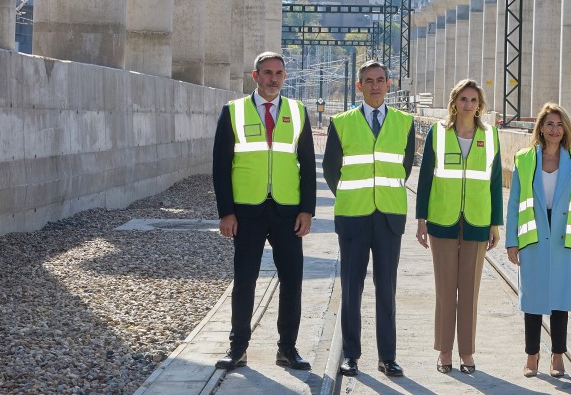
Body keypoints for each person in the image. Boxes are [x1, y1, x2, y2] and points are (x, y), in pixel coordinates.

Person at [212, 51, 316, 371]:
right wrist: (226, 212)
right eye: (267, 73)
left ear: (285, 77)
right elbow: (220, 166)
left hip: (287, 211)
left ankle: (287, 349)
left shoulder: (298, 112)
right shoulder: (233, 112)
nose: (273, 78)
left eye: (279, 74)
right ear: (255, 76)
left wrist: (307, 210)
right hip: (247, 211)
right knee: (245, 280)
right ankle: (238, 348)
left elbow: (308, 167)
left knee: (292, 281)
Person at [323, 60, 416, 378]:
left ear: (389, 84)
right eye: (368, 80)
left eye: (380, 80)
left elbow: (404, 167)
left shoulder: (405, 122)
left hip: (389, 217)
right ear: (359, 85)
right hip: (353, 216)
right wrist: (351, 196)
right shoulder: (341, 122)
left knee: (386, 288)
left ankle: (387, 357)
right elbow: (330, 169)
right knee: (352, 288)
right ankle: (351, 355)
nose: (375, 85)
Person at [415, 79, 503, 374]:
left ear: (480, 105)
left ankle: (466, 352)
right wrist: (421, 221)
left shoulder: (490, 137)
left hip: (477, 221)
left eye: (474, 100)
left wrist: (495, 224)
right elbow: (425, 177)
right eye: (463, 99)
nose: (468, 105)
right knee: (444, 290)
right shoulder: (437, 134)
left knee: (469, 291)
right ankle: (444, 351)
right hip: (442, 220)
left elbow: (494, 183)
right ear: (454, 102)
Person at [505, 103, 571, 378]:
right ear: (540, 128)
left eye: (559, 124)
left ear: (565, 128)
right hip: (533, 235)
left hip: (564, 236)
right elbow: (515, 201)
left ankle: (558, 355)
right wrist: (512, 240)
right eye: (549, 124)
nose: (555, 130)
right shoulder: (524, 159)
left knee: (560, 299)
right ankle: (532, 356)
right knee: (532, 300)